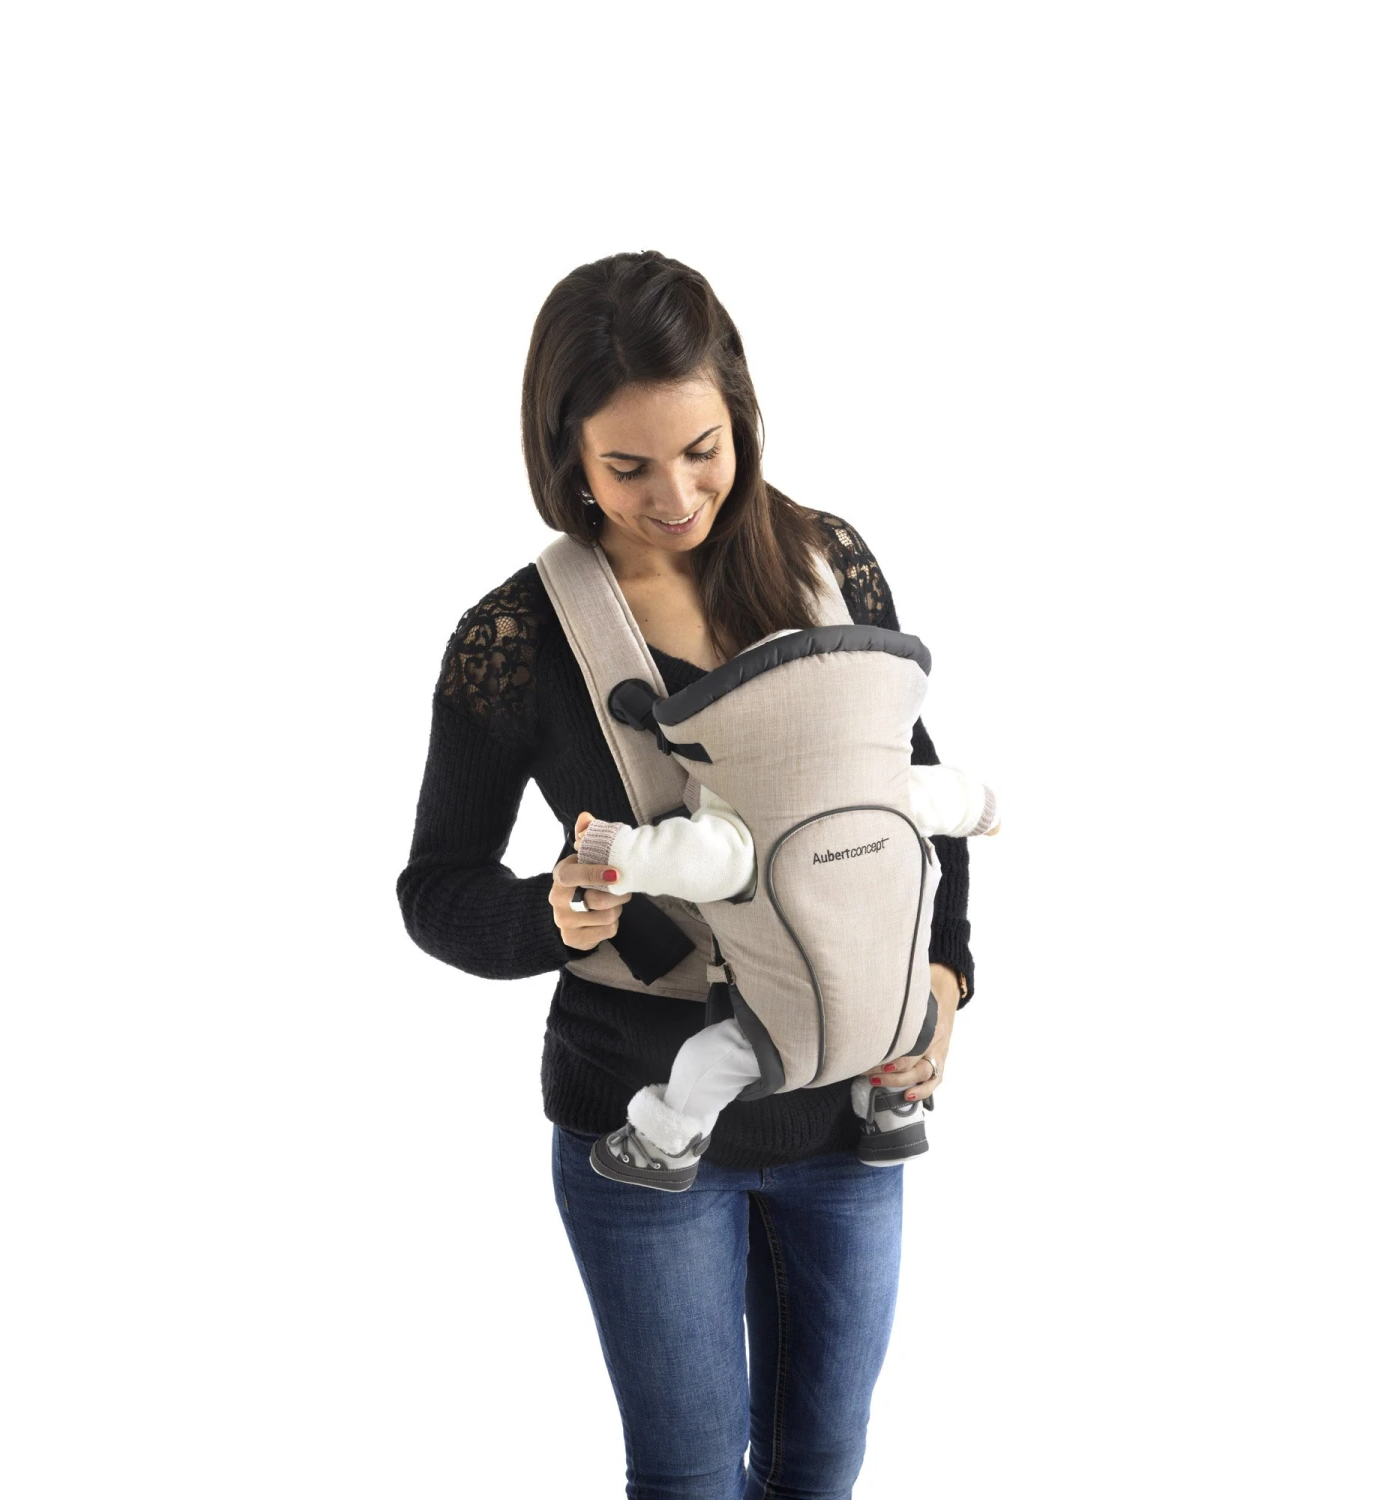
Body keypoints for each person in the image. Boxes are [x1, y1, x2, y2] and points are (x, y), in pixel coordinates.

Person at [396, 249, 981, 1500]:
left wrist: (943, 978)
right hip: (642, 1118)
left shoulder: (829, 565)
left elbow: (912, 799)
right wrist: (548, 914)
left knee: (823, 1467)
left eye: (702, 450)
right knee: (690, 1480)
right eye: (627, 468)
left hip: (847, 1108)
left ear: (741, 416)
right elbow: (435, 889)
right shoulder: (516, 635)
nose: (674, 496)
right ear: (566, 455)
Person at [570, 738, 999, 1187]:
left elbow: (681, 856)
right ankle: (895, 1109)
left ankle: (664, 1146)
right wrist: (986, 810)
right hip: (900, 1002)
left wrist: (610, 848)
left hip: (789, 1029)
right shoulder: (888, 788)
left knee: (703, 1061)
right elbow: (946, 795)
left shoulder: (745, 828)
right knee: (891, 1039)